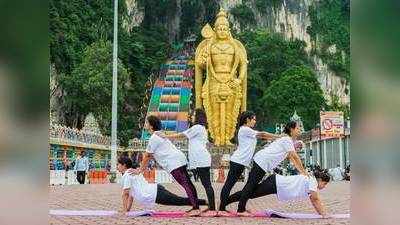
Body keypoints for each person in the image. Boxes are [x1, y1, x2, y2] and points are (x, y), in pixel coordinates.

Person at [130, 115, 201, 216]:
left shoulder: (154, 138)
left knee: (186, 184)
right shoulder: (158, 135)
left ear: (151, 126)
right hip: (178, 160)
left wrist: (139, 170)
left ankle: (196, 208)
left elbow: (147, 156)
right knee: (187, 184)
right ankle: (196, 206)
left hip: (174, 162)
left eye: (146, 123)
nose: (145, 124)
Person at [235, 121, 308, 216]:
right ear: (291, 129)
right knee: (250, 186)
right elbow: (295, 157)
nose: (300, 130)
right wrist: (303, 172)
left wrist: (302, 172)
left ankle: (237, 206)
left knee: (250, 187)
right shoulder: (287, 139)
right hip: (262, 162)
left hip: (262, 162)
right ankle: (240, 210)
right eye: (298, 128)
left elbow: (292, 158)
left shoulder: (287, 141)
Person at [218, 111, 280, 216]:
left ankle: (224, 207)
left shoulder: (247, 131)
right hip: (238, 161)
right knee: (229, 185)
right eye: (254, 119)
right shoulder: (245, 129)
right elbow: (263, 134)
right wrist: (279, 136)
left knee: (229, 184)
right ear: (248, 119)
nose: (255, 122)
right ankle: (222, 209)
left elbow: (263, 136)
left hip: (240, 162)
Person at [156, 108, 216, 216]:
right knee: (204, 184)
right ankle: (199, 207)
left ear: (198, 116)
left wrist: (166, 136)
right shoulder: (200, 128)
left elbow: (182, 135)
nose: (191, 117)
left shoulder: (197, 127)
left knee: (206, 184)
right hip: (200, 159)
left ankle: (212, 209)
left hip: (201, 159)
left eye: (193, 115)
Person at [117, 156, 207, 214]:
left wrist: (125, 211)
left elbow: (125, 194)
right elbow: (131, 195)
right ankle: (204, 202)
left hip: (155, 193)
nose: (117, 166)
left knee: (179, 201)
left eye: (118, 164)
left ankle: (205, 202)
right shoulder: (132, 172)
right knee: (179, 200)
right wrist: (127, 209)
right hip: (155, 191)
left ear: (124, 165)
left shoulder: (128, 174)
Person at [225, 170, 332, 218]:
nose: (324, 186)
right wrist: (324, 215)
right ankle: (225, 201)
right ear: (320, 179)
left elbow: (314, 201)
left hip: (276, 184)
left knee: (249, 193)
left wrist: (321, 213)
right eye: (325, 183)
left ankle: (225, 201)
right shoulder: (312, 181)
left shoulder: (311, 181)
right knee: (249, 194)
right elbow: (315, 199)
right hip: (275, 183)